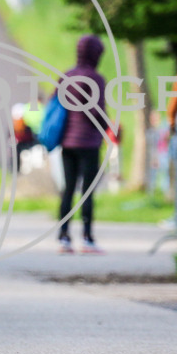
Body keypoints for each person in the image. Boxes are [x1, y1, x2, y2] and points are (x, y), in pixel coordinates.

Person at [56, 35, 109, 255]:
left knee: (68, 189)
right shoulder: (95, 78)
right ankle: (87, 239)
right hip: (88, 142)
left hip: (67, 142)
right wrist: (109, 126)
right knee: (87, 191)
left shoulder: (66, 76)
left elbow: (56, 103)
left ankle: (64, 237)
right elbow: (95, 111)